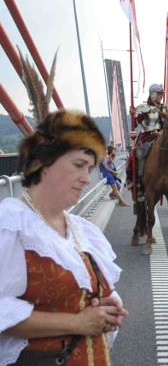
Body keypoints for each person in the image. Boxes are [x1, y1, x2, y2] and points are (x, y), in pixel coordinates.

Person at [0, 110, 129, 365]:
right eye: (79, 165)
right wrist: (78, 322)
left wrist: (106, 309)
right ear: (44, 163)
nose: (86, 178)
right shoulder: (12, 224)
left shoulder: (80, 229)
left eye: (90, 168)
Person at [125, 83, 168, 198]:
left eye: (162, 94)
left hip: (162, 135)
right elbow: (138, 121)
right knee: (137, 154)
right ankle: (136, 180)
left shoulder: (164, 107)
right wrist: (133, 114)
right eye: (159, 94)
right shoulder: (143, 107)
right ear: (153, 94)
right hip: (147, 136)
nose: (161, 96)